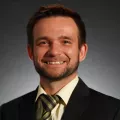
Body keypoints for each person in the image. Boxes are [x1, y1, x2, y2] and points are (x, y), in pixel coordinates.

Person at [0, 4, 120, 120]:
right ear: (30, 52)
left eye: (65, 42)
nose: (54, 52)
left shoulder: (114, 112)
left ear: (82, 52)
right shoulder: (6, 113)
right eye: (43, 42)